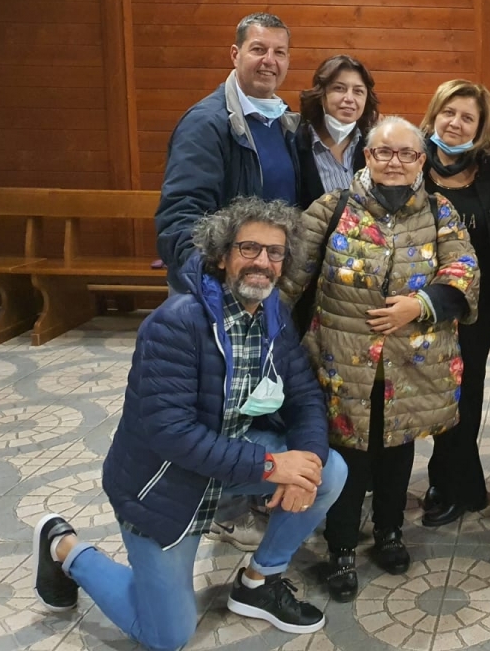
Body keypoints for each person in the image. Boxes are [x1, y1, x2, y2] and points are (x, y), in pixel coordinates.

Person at [33, 198, 347, 650]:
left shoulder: (272, 314)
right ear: (222, 257)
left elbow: (304, 399)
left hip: (231, 459)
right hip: (164, 484)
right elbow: (171, 434)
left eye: (275, 252)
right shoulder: (176, 323)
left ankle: (259, 581)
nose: (263, 261)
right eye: (249, 248)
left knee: (330, 471)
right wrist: (269, 466)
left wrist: (308, 464)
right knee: (168, 635)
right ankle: (64, 548)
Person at [280, 116, 478, 600]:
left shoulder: (438, 211)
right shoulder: (332, 209)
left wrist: (420, 304)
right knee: (345, 458)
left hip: (410, 364)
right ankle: (341, 546)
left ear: (421, 161)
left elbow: (465, 268)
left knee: (396, 449)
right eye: (384, 152)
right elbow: (289, 281)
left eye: (407, 154)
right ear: (367, 157)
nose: (395, 162)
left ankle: (390, 532)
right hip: (341, 361)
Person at [417, 80, 490, 527]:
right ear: (434, 115)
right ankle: (439, 478)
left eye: (467, 117)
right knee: (423, 391)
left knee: (463, 389)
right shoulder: (411, 165)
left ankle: (453, 480)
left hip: (476, 305)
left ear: (480, 127)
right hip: (418, 303)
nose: (455, 123)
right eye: (448, 112)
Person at [156, 13, 301, 295]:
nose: (269, 60)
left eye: (279, 52)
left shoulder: (285, 122)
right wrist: (209, 282)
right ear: (235, 54)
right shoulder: (205, 124)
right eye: (258, 49)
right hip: (218, 287)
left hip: (267, 283)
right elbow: (180, 214)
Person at [296, 55, 380, 209]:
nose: (349, 98)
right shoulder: (295, 143)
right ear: (321, 95)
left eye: (358, 91)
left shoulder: (375, 146)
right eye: (339, 88)